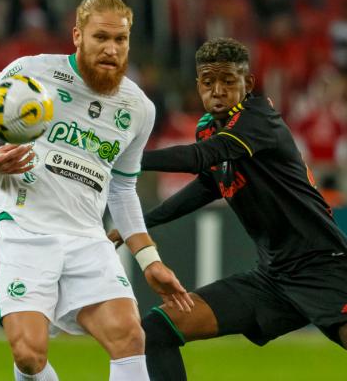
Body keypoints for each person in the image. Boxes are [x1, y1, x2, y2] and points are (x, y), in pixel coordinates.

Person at [0, 0, 193, 381]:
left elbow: (122, 189)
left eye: (121, 40)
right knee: (29, 356)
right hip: (23, 229)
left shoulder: (139, 108)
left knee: (130, 336)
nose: (112, 49)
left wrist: (149, 260)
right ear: (78, 36)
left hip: (86, 236)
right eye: (101, 38)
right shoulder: (31, 73)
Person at [109, 37, 347, 380]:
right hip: (273, 279)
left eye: (228, 81)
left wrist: (119, 158)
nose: (217, 90)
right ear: (198, 86)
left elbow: (199, 159)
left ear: (247, 84)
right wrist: (140, 224)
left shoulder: (259, 119)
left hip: (325, 268)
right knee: (156, 329)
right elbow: (209, 183)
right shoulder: (207, 128)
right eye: (208, 83)